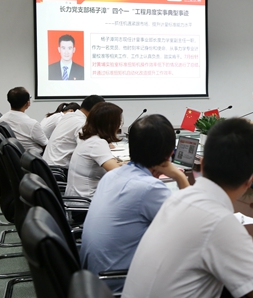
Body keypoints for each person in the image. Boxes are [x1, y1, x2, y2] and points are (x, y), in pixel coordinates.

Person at [122, 118, 253, 298]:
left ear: (202, 164)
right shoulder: (218, 221)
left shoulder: (179, 198)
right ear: (251, 179)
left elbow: (212, 249)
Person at [80, 114, 190, 292]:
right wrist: (180, 178)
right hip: (120, 283)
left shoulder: (112, 176)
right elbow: (191, 230)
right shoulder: (149, 189)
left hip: (94, 282)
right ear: (170, 155)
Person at [64, 102, 123, 198]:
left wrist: (123, 164)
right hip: (87, 202)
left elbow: (110, 166)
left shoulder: (88, 138)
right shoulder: (97, 143)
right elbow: (118, 174)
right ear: (110, 124)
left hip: (77, 198)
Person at [43, 95, 104, 168]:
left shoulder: (69, 116)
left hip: (47, 165)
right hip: (59, 169)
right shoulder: (82, 124)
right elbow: (88, 149)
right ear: (96, 111)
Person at [0, 87, 48, 151]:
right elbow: (46, 145)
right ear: (28, 103)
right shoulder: (32, 124)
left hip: (17, 154)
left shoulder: (1, 121)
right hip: (36, 156)